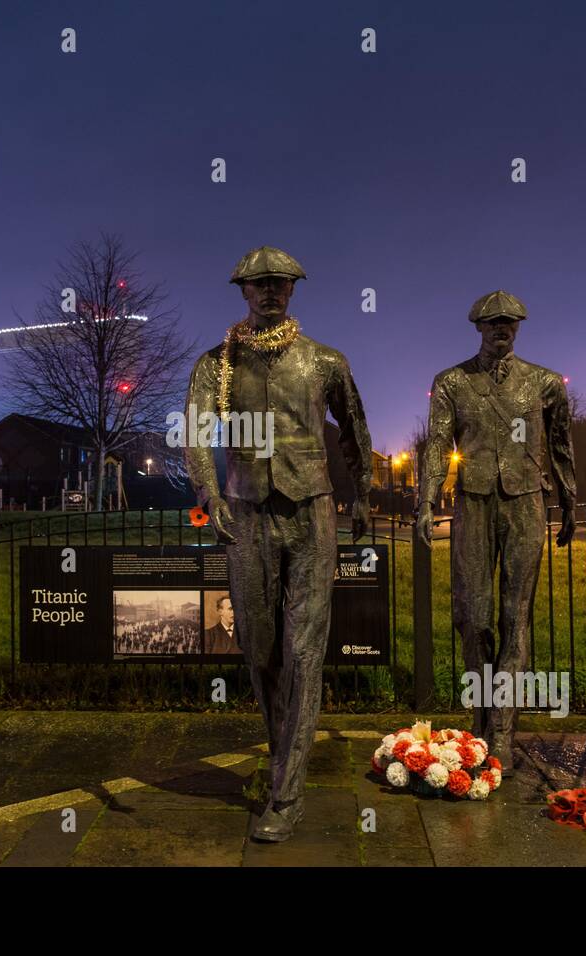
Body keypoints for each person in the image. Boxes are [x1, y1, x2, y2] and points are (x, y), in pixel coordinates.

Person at [185, 245, 372, 843]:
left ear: (294, 290)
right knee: (259, 647)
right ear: (243, 289)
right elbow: (195, 434)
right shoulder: (215, 364)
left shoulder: (325, 362)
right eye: (260, 283)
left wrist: (364, 493)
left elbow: (356, 431)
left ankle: (286, 791)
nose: (270, 290)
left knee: (305, 651)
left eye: (281, 283)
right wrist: (209, 495)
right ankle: (280, 754)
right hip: (246, 515)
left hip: (311, 514)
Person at [416, 291, 577, 775]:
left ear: (519, 326)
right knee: (474, 616)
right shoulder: (452, 383)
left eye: (509, 321)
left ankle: (502, 727)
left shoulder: (545, 383)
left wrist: (569, 499)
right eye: (492, 322)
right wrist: (424, 500)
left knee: (516, 616)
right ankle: (479, 715)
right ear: (478, 326)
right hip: (474, 500)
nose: (501, 328)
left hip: (526, 501)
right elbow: (436, 446)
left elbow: (562, 445)